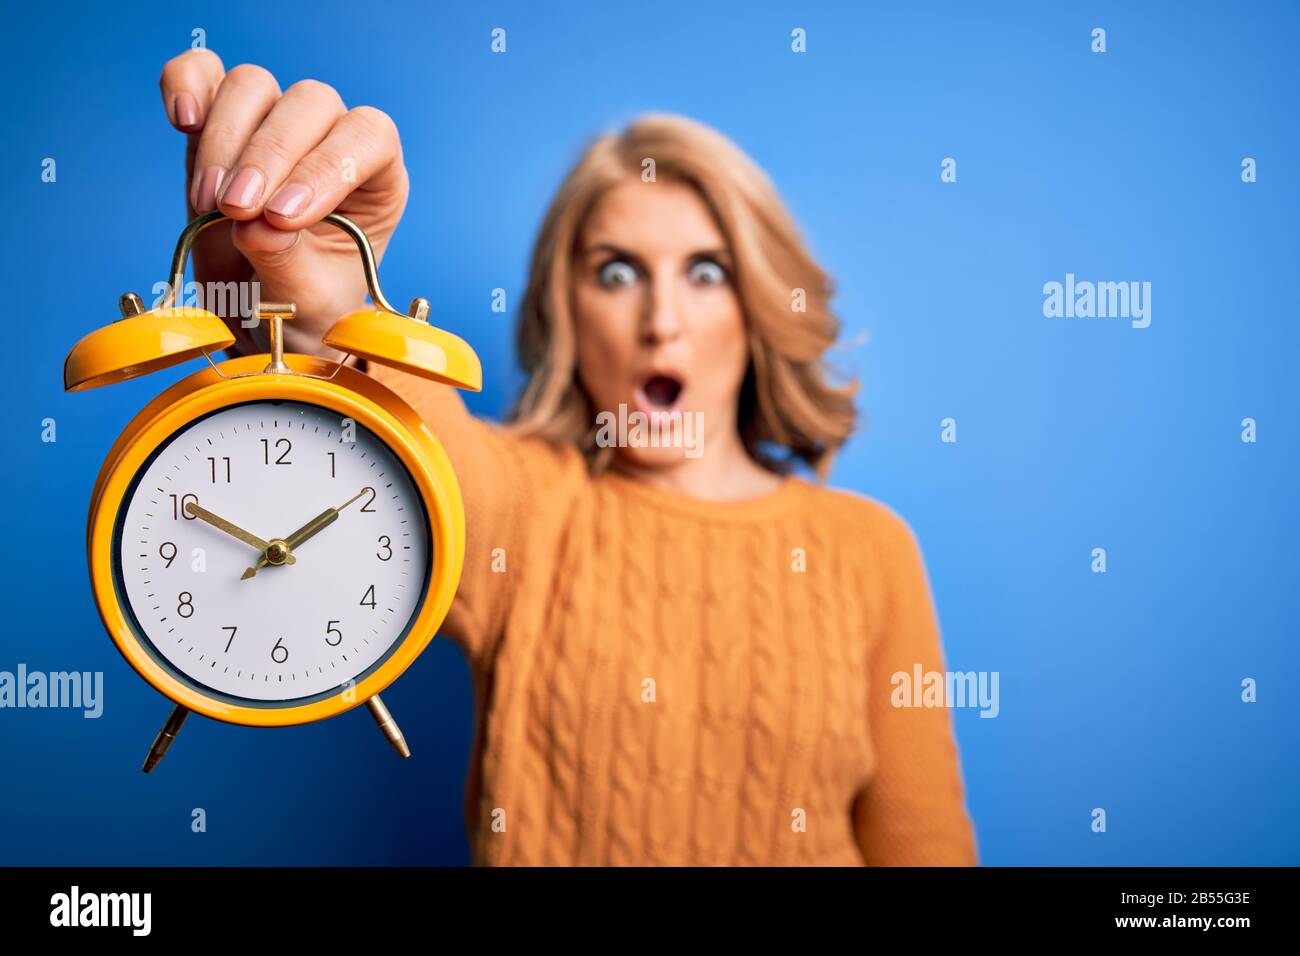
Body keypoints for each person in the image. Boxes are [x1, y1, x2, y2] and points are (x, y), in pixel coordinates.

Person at [159, 48, 979, 866]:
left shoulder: (870, 551)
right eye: (616, 273)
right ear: (567, 312)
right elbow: (417, 459)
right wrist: (320, 294)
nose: (662, 320)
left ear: (759, 303)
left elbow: (925, 845)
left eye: (705, 272)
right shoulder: (529, 507)